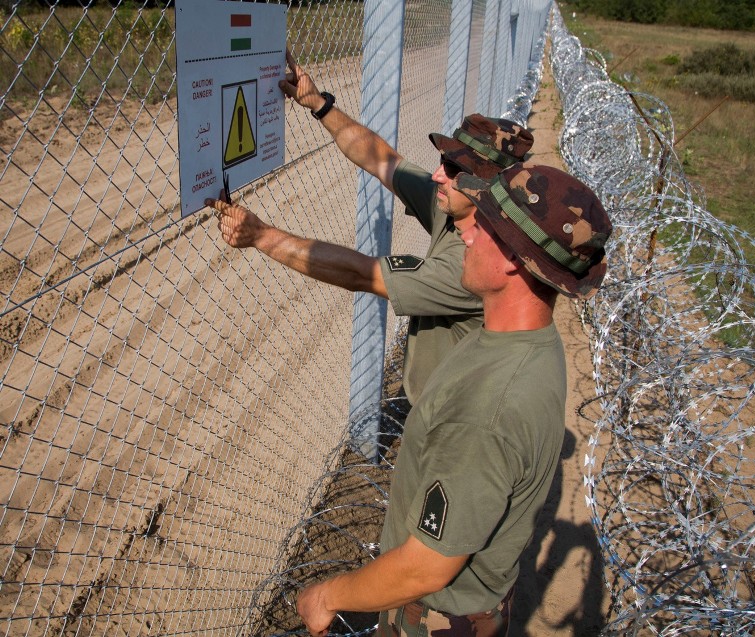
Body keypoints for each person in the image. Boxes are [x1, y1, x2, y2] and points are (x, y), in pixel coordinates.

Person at [295, 163, 612, 637]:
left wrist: (326, 597)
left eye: (483, 225)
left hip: (438, 615)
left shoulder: (487, 410)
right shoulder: (527, 342)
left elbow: (427, 568)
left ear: (512, 259)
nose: (466, 234)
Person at [206, 49, 534, 404]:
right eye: (444, 163)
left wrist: (261, 236)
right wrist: (320, 105)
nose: (438, 175)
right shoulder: (463, 206)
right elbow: (382, 160)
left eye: (454, 171)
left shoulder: (475, 263)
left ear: (485, 187)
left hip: (454, 413)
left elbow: (362, 274)